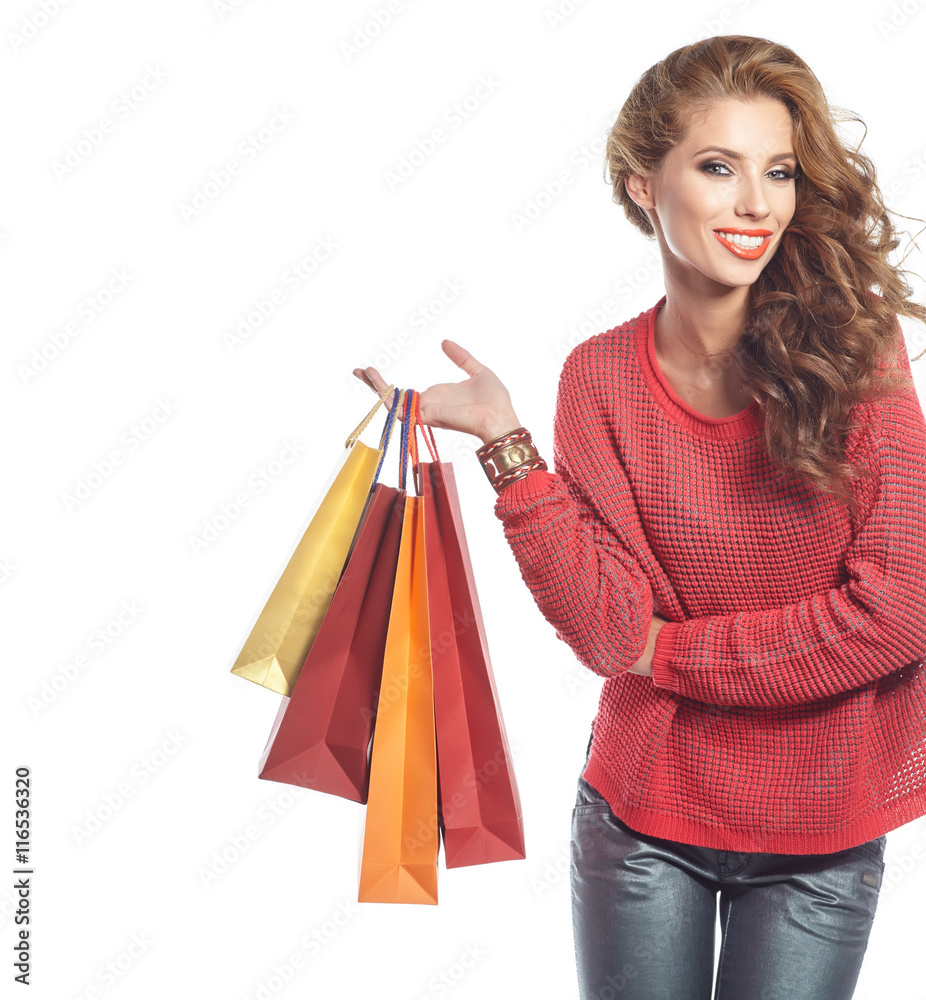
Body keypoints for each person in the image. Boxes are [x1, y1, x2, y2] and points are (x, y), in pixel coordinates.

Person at [353, 34, 926, 1000]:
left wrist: (671, 652)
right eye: (719, 167)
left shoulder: (856, 355)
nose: (757, 204)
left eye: (779, 171)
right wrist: (505, 443)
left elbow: (898, 612)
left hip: (823, 832)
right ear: (642, 185)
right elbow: (607, 629)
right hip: (643, 817)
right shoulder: (600, 379)